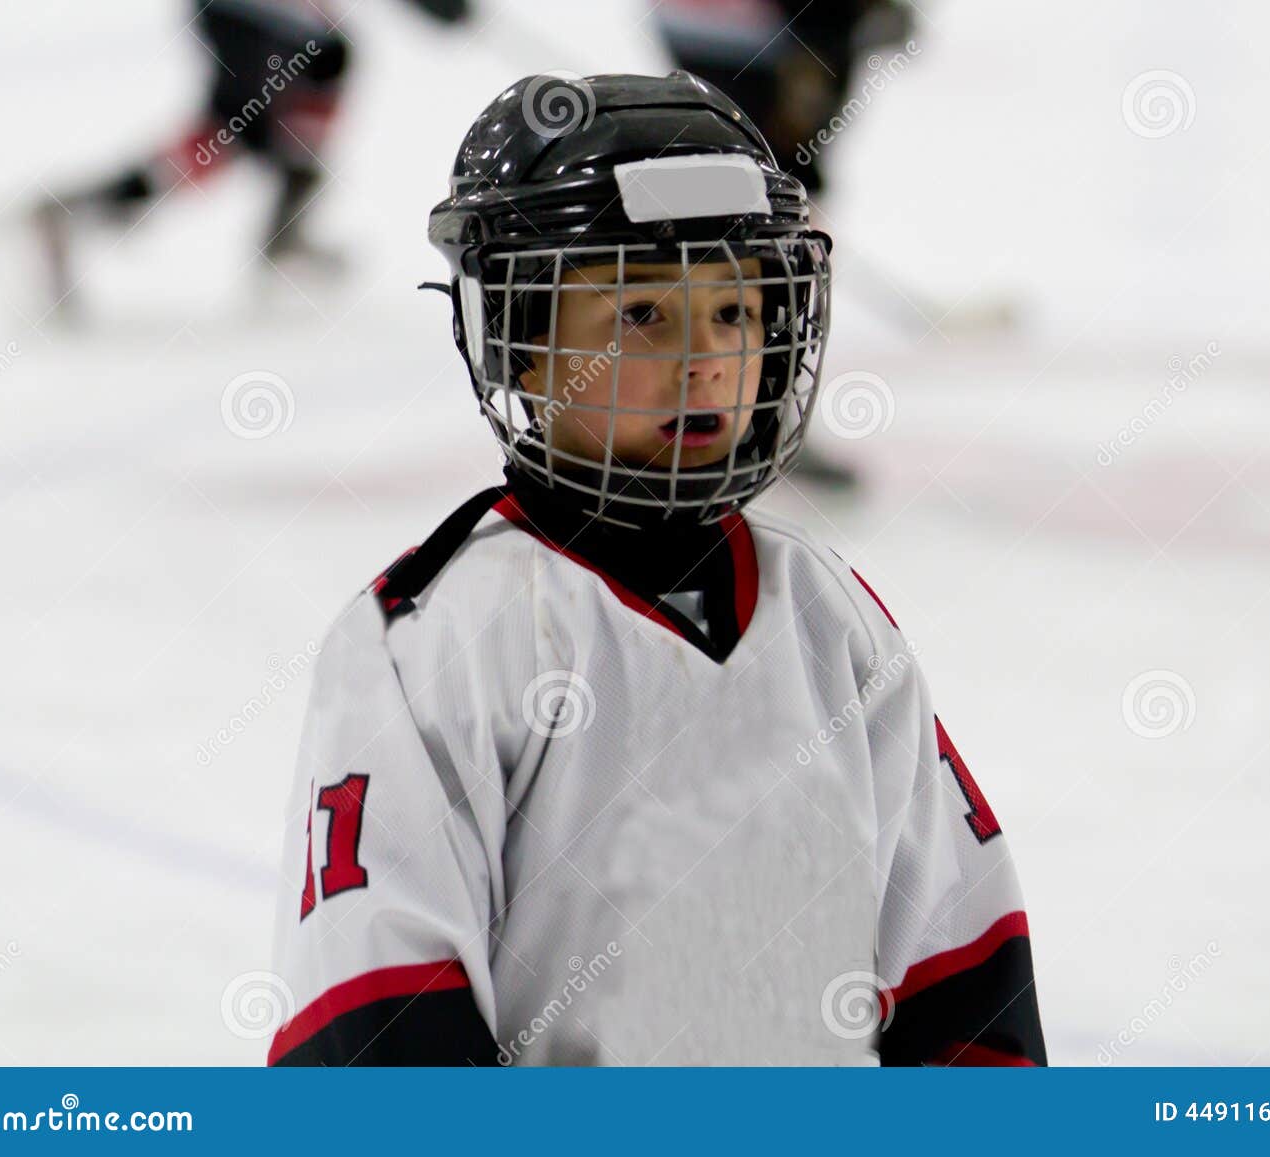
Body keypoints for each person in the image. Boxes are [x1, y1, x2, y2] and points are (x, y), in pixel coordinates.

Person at [266, 72, 1045, 1066]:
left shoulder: (831, 614)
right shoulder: (432, 639)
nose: (704, 359)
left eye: (734, 311)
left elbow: (962, 980)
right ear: (521, 343)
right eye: (641, 314)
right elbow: (375, 1034)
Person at [31, 0, 469, 312]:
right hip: (258, 14)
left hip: (256, 15)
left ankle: (77, 212)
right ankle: (283, 235)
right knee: (270, 105)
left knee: (242, 127)